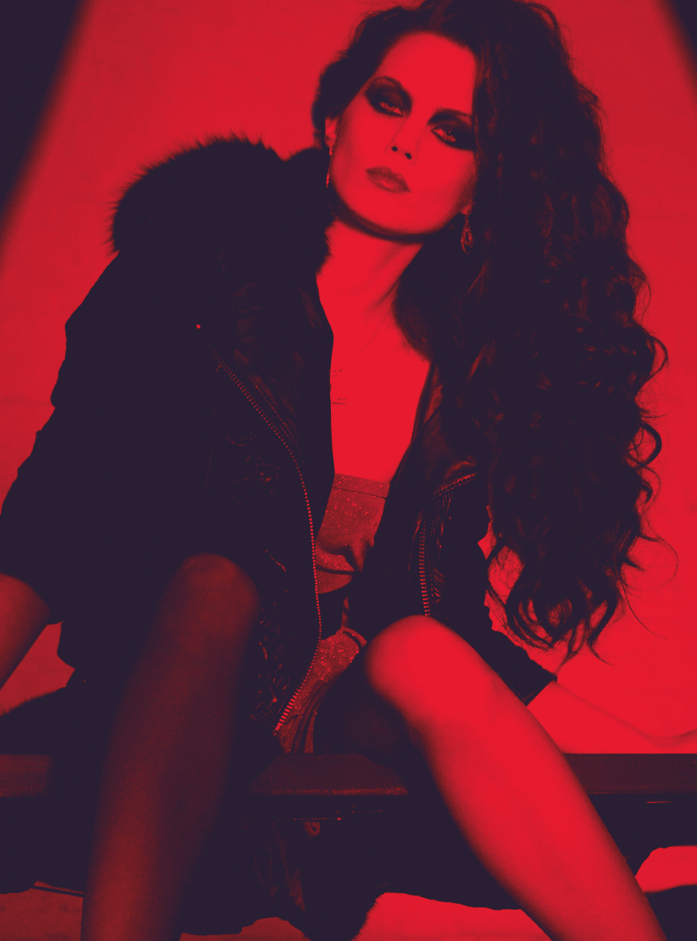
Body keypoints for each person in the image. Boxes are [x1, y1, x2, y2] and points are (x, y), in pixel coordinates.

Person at [0, 0, 691, 939]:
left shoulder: (461, 370)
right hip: (165, 690)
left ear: (481, 186)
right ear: (334, 120)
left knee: (423, 651)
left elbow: (437, 608)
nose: (404, 141)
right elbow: (56, 510)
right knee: (217, 579)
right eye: (389, 102)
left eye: (451, 130)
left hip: (324, 717)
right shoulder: (193, 280)